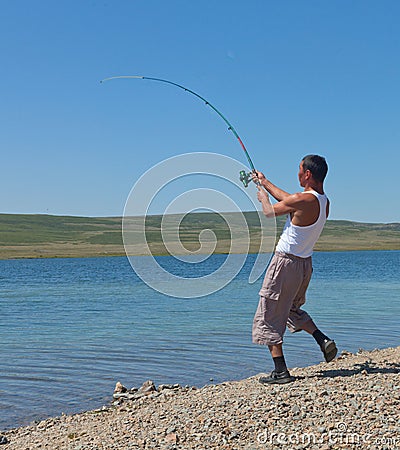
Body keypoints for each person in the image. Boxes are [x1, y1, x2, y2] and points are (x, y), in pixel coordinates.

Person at [252, 154, 337, 385]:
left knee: (269, 311)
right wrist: (265, 182)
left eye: (299, 170)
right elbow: (291, 199)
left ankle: (280, 372)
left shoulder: (303, 199)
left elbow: (270, 212)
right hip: (304, 266)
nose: (297, 174)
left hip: (285, 263)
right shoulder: (323, 201)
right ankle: (321, 339)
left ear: (307, 174)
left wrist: (262, 197)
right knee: (290, 309)